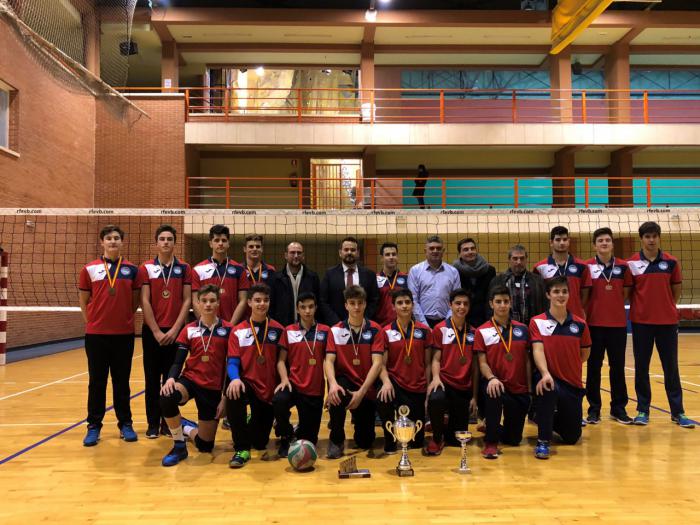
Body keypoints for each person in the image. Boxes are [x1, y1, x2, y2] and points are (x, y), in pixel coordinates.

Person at [627, 221, 694, 428]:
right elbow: (629, 293)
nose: (651, 239)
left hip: (666, 323)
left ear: (659, 237)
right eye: (647, 236)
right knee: (641, 368)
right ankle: (642, 410)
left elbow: (676, 290)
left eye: (654, 236)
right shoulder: (631, 263)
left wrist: (666, 307)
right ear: (642, 239)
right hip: (641, 324)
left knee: (671, 368)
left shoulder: (671, 262)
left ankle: (678, 412)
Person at [78, 225, 140, 446]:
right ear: (102, 242)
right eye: (109, 238)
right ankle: (94, 426)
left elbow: (134, 301)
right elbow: (83, 300)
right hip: (96, 336)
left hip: (123, 335)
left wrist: (123, 318)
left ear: (122, 242)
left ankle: (125, 424)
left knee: (122, 382)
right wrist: (91, 322)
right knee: (97, 382)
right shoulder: (89, 269)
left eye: (116, 238)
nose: (113, 241)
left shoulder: (132, 270)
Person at [158, 285, 229, 466]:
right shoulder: (189, 329)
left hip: (212, 387)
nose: (208, 305)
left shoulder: (229, 330)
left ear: (218, 303)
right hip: (189, 381)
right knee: (167, 396)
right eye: (204, 301)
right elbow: (178, 361)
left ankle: (187, 427)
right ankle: (179, 446)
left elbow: (232, 366)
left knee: (205, 446)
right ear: (197, 303)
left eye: (212, 301)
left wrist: (225, 397)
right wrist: (171, 378)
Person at [138, 224, 192, 439]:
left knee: (170, 381)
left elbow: (187, 299)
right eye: (162, 239)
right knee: (151, 381)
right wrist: (157, 331)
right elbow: (144, 300)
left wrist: (176, 329)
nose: (166, 242)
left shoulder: (184, 268)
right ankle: (153, 424)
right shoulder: (146, 268)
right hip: (153, 333)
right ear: (156, 242)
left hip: (176, 331)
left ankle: (167, 424)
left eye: (170, 239)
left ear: (174, 242)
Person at [529, 277, 591, 460]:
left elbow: (584, 354)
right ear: (548, 295)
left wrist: (569, 364)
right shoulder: (537, 322)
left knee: (572, 437)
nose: (561, 295)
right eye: (556, 291)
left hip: (572, 383)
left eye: (564, 291)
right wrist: (546, 373)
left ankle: (538, 416)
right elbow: (537, 349)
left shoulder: (579, 323)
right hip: (547, 378)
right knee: (547, 388)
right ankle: (543, 441)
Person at [226, 283, 287, 468]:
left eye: (265, 300)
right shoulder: (238, 331)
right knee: (233, 394)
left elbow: (283, 362)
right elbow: (233, 362)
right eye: (257, 300)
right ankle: (241, 449)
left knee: (260, 442)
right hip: (248, 384)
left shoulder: (279, 330)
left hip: (269, 389)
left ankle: (252, 422)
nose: (262, 304)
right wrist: (235, 379)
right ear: (249, 303)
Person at [324, 285, 385, 459]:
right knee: (336, 393)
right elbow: (328, 360)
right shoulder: (335, 330)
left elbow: (377, 363)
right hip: (345, 380)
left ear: (365, 304)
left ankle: (363, 428)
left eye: (360, 303)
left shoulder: (375, 329)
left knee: (365, 441)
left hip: (365, 385)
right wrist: (332, 384)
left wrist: (362, 393)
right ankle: (336, 440)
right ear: (346, 305)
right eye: (352, 303)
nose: (356, 307)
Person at [474, 286, 531, 459]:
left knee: (513, 440)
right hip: (496, 383)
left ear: (511, 303)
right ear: (491, 304)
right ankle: (491, 442)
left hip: (518, 387)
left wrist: (529, 389)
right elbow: (482, 363)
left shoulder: (523, 329)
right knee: (494, 391)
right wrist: (491, 378)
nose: (502, 305)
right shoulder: (482, 331)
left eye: (506, 301)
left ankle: (492, 427)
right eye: (498, 302)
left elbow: (528, 361)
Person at [584, 228, 633, 425]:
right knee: (593, 368)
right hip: (594, 325)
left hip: (617, 325)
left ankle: (618, 408)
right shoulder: (586, 267)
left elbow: (626, 293)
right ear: (595, 245)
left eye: (608, 240)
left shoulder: (623, 267)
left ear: (612, 244)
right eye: (600, 240)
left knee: (618, 368)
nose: (604, 243)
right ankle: (594, 409)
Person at [272, 291, 331, 456]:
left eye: (311, 307)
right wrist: (284, 379)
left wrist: (330, 387)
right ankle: (286, 434)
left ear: (316, 308)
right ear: (297, 309)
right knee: (279, 400)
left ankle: (299, 430)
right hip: (294, 385)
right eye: (303, 307)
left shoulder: (325, 331)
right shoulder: (288, 331)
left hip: (314, 390)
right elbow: (280, 361)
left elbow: (329, 361)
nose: (307, 311)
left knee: (309, 441)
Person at [377, 288, 433, 453]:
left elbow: (428, 363)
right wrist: (386, 382)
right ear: (393, 307)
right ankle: (389, 440)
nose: (404, 306)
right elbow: (381, 364)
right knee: (382, 396)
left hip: (418, 384)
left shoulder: (424, 331)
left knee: (416, 442)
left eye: (407, 302)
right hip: (395, 383)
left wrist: (428, 388)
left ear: (413, 305)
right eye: (400, 303)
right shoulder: (385, 331)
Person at [424, 288, 478, 456]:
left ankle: (444, 423)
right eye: (457, 303)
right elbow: (436, 359)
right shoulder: (440, 329)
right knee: (436, 397)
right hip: (445, 382)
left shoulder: (474, 333)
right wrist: (436, 378)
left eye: (465, 304)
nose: (461, 307)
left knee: (456, 440)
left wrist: (475, 396)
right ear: (450, 305)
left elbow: (476, 367)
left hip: (463, 386)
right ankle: (437, 437)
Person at [533, 226, 591, 319]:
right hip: (550, 317)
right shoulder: (539, 267)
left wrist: (577, 307)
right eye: (558, 240)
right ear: (551, 242)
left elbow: (585, 294)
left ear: (569, 241)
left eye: (564, 239)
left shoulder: (582, 266)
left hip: (575, 316)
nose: (562, 243)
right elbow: (539, 295)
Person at [320, 236, 380, 325]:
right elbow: (323, 301)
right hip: (336, 325)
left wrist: (363, 320)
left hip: (363, 325)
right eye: (346, 249)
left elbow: (374, 300)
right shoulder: (330, 274)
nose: (349, 252)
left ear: (358, 253)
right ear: (340, 253)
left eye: (353, 250)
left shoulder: (369, 275)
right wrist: (337, 323)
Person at [191, 224, 243, 324]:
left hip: (232, 326)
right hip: (207, 327)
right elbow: (195, 301)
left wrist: (230, 326)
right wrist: (206, 324)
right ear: (210, 243)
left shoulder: (239, 269)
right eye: (216, 240)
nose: (220, 243)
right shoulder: (198, 269)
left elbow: (243, 301)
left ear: (228, 243)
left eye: (224, 240)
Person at [408, 235, 461, 328]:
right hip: (421, 321)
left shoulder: (453, 272)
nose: (435, 251)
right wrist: (424, 325)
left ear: (443, 251)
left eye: (438, 248)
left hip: (448, 321)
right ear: (425, 251)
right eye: (431, 248)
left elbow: (456, 299)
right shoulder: (415, 271)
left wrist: (446, 323)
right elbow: (413, 300)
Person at [270, 241, 326, 327]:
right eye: (292, 253)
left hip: (307, 327)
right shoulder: (276, 279)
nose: (296, 256)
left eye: (299, 253)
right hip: (283, 327)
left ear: (303, 256)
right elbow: (272, 306)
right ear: (286, 255)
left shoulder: (312, 277)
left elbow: (318, 304)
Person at [488, 244, 546, 326]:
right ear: (509, 260)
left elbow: (544, 305)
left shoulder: (537, 281)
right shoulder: (498, 281)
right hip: (504, 328)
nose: (519, 262)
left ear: (526, 260)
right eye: (515, 258)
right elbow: (489, 308)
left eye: (522, 258)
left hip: (532, 327)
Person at [232, 234, 276, 324]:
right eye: (251, 246)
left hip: (264, 320)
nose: (254, 249)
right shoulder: (237, 270)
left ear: (262, 249)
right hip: (242, 320)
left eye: (258, 246)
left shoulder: (271, 270)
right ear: (245, 249)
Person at [453, 237, 496, 327]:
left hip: (485, 318)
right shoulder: (454, 271)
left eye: (472, 248)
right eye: (466, 250)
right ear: (460, 254)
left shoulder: (490, 270)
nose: (470, 252)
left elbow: (491, 295)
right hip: (462, 317)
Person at [374, 242, 408, 327]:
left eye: (394, 254)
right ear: (382, 258)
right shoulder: (375, 279)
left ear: (397, 257)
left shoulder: (407, 278)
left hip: (402, 325)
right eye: (387, 255)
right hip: (381, 326)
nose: (391, 257)